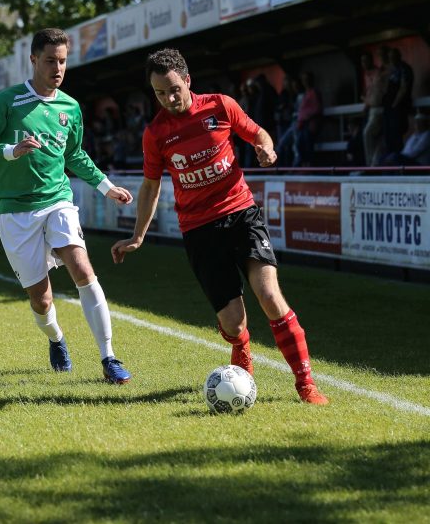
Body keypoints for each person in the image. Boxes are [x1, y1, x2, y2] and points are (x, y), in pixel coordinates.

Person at [110, 49, 329, 405]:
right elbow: (151, 186)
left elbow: (259, 135)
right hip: (199, 230)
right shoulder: (156, 134)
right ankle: (241, 347)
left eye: (173, 89)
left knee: (270, 296)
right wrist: (138, 236)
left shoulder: (220, 106)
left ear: (187, 81)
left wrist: (266, 149)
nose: (169, 98)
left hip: (241, 213)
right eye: (159, 93)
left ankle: (306, 384)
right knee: (233, 323)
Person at [0, 28, 135, 383]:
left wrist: (106, 187)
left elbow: (74, 154)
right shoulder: (7, 101)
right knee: (41, 301)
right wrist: (11, 151)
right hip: (14, 210)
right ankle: (57, 339)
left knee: (83, 271)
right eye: (49, 61)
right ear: (32, 60)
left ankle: (109, 358)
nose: (57, 68)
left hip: (58, 201)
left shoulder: (70, 107)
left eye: (62, 61)